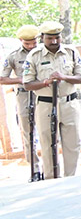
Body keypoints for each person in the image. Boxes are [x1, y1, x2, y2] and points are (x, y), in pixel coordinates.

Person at [22, 21, 81, 178]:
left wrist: (64, 77)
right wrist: (46, 82)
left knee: (73, 143)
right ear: (42, 37)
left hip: (69, 103)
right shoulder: (35, 56)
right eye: (50, 38)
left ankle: (71, 178)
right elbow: (27, 84)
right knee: (48, 144)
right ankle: (51, 179)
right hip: (46, 104)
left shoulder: (71, 52)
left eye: (57, 37)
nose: (54, 41)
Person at [3, 25, 41, 176]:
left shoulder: (44, 52)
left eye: (34, 42)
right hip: (24, 95)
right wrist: (23, 80)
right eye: (27, 43)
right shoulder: (13, 56)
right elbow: (3, 78)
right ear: (20, 40)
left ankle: (52, 164)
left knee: (47, 130)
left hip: (43, 93)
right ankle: (35, 167)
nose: (31, 46)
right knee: (28, 131)